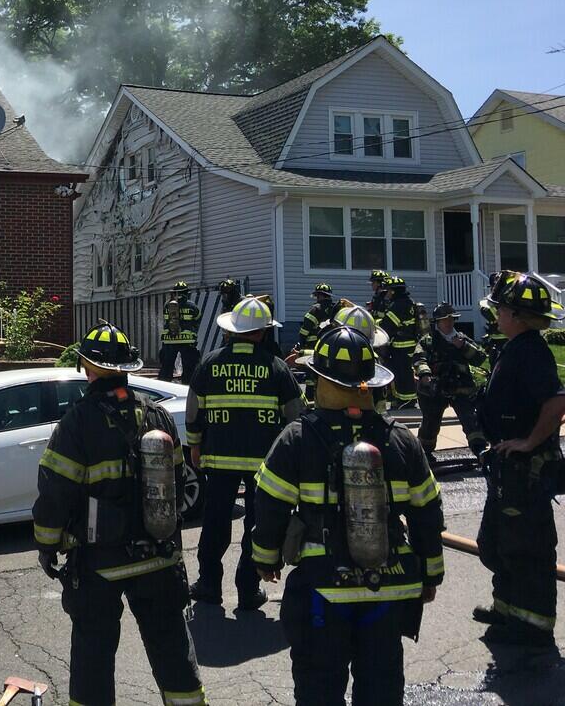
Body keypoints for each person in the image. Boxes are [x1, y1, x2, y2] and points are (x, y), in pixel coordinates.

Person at [253, 325, 445, 705]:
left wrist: (266, 558)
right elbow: (427, 512)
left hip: (323, 591)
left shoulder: (297, 438)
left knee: (319, 689)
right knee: (381, 688)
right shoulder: (401, 440)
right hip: (387, 591)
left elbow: (270, 504)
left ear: (320, 379)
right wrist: (430, 575)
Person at [35, 320, 205, 706]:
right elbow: (177, 483)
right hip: (159, 557)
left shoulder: (78, 422)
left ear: (87, 367)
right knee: (173, 652)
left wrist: (47, 545)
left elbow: (55, 494)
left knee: (93, 659)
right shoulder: (158, 417)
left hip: (100, 564)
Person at [186, 296, 303, 610]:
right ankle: (248, 589)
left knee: (215, 523)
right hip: (264, 466)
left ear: (232, 330)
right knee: (257, 522)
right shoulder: (277, 368)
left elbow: (194, 410)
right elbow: (296, 418)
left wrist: (195, 446)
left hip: (218, 461)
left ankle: (209, 584)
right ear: (263, 332)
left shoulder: (209, 363)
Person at [473, 271, 565, 647]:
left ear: (516, 315)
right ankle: (507, 610)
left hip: (526, 471)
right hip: (507, 469)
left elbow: (556, 402)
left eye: (500, 310)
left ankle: (533, 627)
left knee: (527, 549)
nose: (496, 315)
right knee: (499, 543)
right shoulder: (516, 347)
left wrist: (529, 442)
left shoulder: (531, 352)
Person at [413, 303, 488, 458]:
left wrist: (464, 346)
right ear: (437, 322)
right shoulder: (428, 341)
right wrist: (425, 375)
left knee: (470, 419)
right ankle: (424, 454)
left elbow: (480, 358)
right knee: (430, 423)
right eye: (445, 320)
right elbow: (419, 359)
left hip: (460, 388)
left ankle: (480, 450)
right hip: (436, 389)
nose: (449, 323)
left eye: (451, 319)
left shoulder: (461, 338)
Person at [378, 276, 419, 408]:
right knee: (404, 372)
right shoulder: (407, 302)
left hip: (402, 346)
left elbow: (388, 325)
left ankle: (407, 401)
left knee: (403, 374)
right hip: (407, 345)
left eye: (388, 291)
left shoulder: (398, 305)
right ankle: (404, 399)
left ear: (393, 291)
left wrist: (375, 326)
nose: (386, 294)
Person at [158, 281, 201, 384]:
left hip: (170, 340)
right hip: (187, 341)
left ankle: (163, 386)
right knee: (189, 368)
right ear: (187, 292)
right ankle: (186, 387)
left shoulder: (167, 305)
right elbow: (197, 319)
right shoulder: (192, 306)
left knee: (166, 367)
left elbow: (166, 320)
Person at [295, 284, 338, 352]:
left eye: (317, 296)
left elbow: (304, 331)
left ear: (320, 296)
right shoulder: (336, 309)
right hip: (331, 345)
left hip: (313, 345)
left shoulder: (315, 309)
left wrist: (301, 345)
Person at [478, 273, 508, 368]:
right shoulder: (486, 306)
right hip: (495, 340)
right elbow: (485, 310)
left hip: (508, 339)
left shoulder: (508, 304)